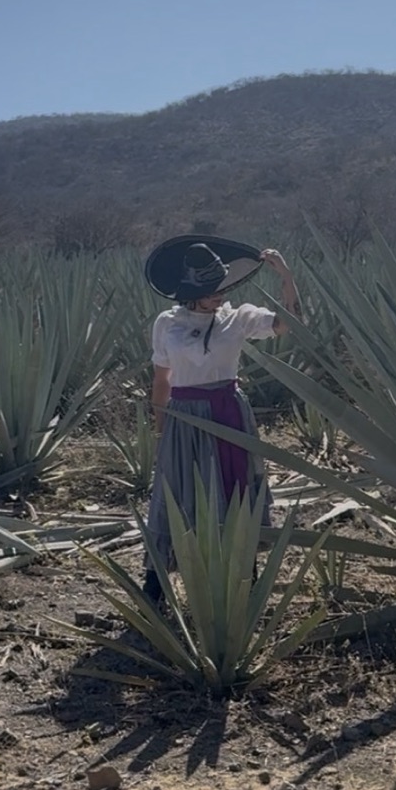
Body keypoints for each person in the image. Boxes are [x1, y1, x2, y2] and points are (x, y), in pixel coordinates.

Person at [143, 242, 300, 600]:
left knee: (236, 485)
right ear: (190, 294)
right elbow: (161, 379)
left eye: (222, 288)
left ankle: (245, 574)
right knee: (178, 489)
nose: (219, 296)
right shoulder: (167, 324)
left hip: (228, 412)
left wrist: (287, 277)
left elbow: (287, 324)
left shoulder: (239, 317)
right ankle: (156, 582)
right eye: (209, 291)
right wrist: (161, 426)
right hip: (183, 416)